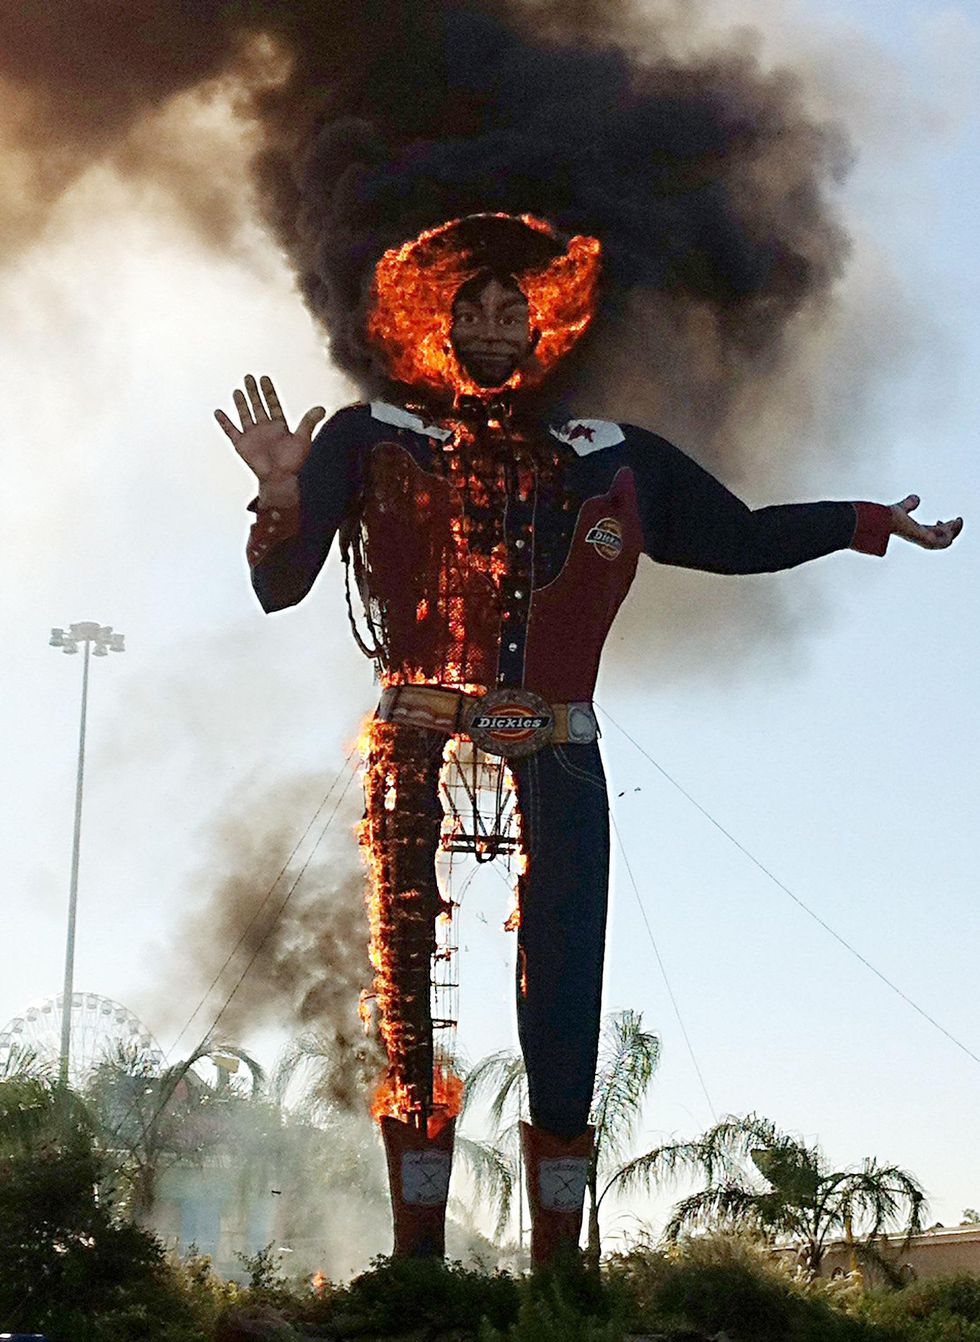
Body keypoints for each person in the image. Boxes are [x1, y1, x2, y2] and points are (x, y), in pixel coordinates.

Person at [216, 214, 962, 1266]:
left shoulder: (608, 453)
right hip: (415, 740)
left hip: (558, 740)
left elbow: (735, 536)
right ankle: (417, 1269)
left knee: (564, 986)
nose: (486, 325)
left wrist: (865, 521)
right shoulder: (369, 433)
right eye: (467, 308)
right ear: (431, 322)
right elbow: (276, 589)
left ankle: (560, 1281)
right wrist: (281, 492)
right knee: (407, 1003)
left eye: (505, 307)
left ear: (544, 324)